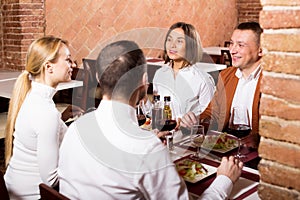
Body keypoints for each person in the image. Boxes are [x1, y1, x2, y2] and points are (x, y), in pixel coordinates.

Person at [58, 40, 243, 199]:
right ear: (144, 81)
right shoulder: (146, 148)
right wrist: (224, 180)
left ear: (99, 77)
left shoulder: (76, 129)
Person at [4, 36, 84, 199]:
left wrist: (62, 118)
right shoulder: (46, 113)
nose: (73, 65)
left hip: (14, 188)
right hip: (32, 196)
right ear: (49, 67)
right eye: (68, 60)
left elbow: (37, 132)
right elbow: (50, 180)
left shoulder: (32, 96)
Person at [181, 22, 263, 148]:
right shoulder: (226, 75)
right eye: (231, 43)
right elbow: (212, 113)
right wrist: (196, 121)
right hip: (226, 149)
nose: (232, 50)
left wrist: (261, 140)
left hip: (259, 156)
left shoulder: (270, 82)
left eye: (240, 45)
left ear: (260, 50)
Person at [150, 22, 215, 124]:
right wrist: (144, 101)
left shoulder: (203, 80)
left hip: (188, 136)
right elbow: (155, 111)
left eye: (179, 41)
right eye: (169, 39)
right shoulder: (160, 74)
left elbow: (210, 119)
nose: (172, 45)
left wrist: (190, 122)